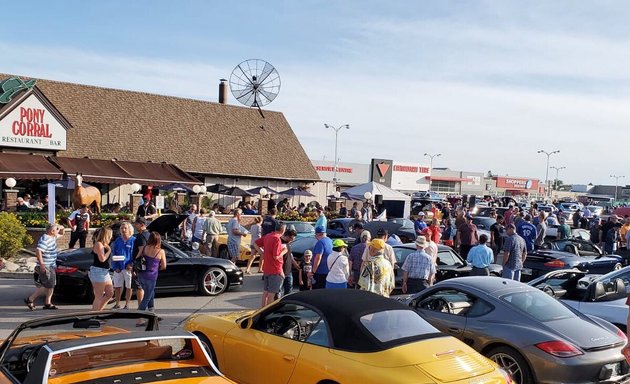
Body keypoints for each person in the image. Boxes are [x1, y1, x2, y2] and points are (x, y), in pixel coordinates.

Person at [25, 223, 64, 310]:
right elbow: (38, 251)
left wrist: (60, 227)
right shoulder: (45, 239)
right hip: (46, 265)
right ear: (52, 231)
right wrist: (42, 264)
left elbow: (62, 233)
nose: (58, 231)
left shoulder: (53, 237)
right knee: (47, 285)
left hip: (51, 264)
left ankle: (48, 303)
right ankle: (30, 299)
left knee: (51, 285)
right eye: (56, 230)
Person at [254, 223, 287, 307]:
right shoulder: (276, 239)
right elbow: (276, 256)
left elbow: (255, 243)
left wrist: (262, 253)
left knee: (266, 292)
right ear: (282, 230)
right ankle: (268, 311)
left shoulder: (268, 235)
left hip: (267, 268)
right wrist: (284, 251)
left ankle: (262, 310)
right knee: (271, 294)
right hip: (275, 270)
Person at [136, 231, 167, 318]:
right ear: (158, 240)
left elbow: (137, 258)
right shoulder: (160, 251)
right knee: (146, 297)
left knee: (150, 293)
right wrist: (157, 268)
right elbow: (164, 266)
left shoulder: (145, 248)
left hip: (141, 275)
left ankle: (152, 312)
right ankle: (139, 317)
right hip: (151, 276)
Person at [111, 221, 136, 310]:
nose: (123, 230)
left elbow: (135, 254)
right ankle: (117, 303)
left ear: (130, 230)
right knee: (117, 286)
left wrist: (131, 265)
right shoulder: (117, 240)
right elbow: (113, 253)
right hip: (118, 267)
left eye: (125, 228)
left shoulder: (133, 240)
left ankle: (127, 304)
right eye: (122, 228)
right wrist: (115, 266)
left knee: (129, 286)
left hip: (128, 267)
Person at [90, 227, 114, 311]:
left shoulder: (105, 244)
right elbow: (102, 259)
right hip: (98, 270)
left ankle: (99, 311)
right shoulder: (99, 244)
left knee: (109, 293)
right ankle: (94, 315)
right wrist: (109, 251)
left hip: (105, 271)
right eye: (110, 235)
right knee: (99, 296)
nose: (111, 237)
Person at [131, 217, 151, 309]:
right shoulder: (149, 235)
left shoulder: (141, 236)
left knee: (139, 287)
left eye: (136, 224)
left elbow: (141, 249)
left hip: (140, 264)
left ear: (142, 224)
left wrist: (134, 261)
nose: (135, 225)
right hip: (148, 263)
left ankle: (141, 308)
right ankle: (148, 309)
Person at [280, 228, 299, 296]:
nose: (291, 241)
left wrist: (295, 264)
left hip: (288, 270)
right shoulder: (279, 242)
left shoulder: (288, 243)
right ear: (287, 236)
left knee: (289, 289)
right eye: (291, 239)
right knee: (278, 291)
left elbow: (290, 254)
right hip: (280, 270)